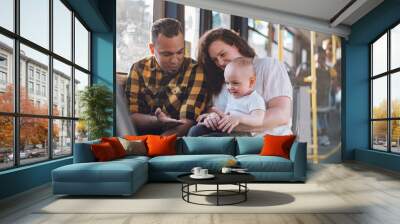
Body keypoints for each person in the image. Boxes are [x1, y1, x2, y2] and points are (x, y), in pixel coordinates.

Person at [190, 28, 293, 136]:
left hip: (267, 139)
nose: (220, 62)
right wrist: (211, 117)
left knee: (197, 134)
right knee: (195, 132)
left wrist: (237, 122)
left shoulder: (269, 66)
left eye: (223, 54)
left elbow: (281, 115)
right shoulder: (222, 78)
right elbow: (218, 111)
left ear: (236, 45)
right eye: (215, 60)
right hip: (232, 137)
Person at [125, 18, 208, 136]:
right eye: (167, 54)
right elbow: (132, 115)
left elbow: (187, 121)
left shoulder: (195, 69)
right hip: (142, 136)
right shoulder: (139, 68)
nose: (175, 60)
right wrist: (158, 121)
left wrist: (158, 145)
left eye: (180, 52)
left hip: (177, 139)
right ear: (152, 49)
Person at [188, 57, 265, 136]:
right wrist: (214, 117)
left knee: (208, 138)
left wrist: (238, 118)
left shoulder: (255, 99)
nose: (230, 87)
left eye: (235, 83)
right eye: (227, 83)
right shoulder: (232, 96)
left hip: (242, 133)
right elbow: (226, 115)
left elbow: (258, 120)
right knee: (195, 130)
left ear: (251, 82)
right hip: (227, 129)